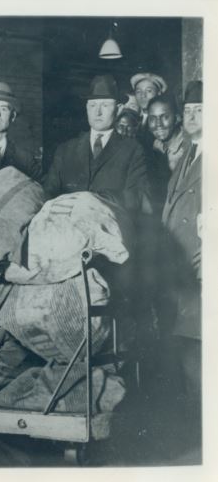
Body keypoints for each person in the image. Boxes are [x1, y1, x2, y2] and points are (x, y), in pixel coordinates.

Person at [43, 74, 150, 213]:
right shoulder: (65, 150)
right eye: (93, 105)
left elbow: (137, 197)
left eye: (105, 105)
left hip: (109, 229)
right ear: (86, 108)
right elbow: (48, 193)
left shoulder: (133, 150)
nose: (97, 112)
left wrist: (96, 200)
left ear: (118, 109)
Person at [161, 82, 202, 440]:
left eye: (200, 111)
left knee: (197, 345)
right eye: (188, 111)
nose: (191, 117)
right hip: (181, 265)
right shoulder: (189, 152)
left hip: (202, 268)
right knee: (187, 344)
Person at [147, 93, 189, 172]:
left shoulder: (188, 148)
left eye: (165, 117)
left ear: (177, 118)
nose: (158, 124)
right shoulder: (156, 145)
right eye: (152, 119)